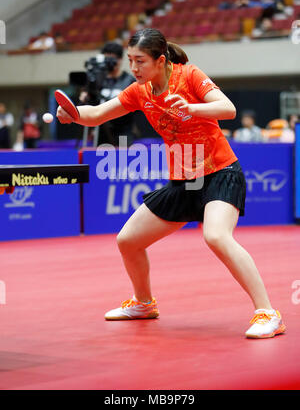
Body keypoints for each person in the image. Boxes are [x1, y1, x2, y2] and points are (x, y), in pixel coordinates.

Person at [57, 28, 285, 339]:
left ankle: (268, 313)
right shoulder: (140, 91)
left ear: (160, 60)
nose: (133, 69)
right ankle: (143, 303)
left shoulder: (189, 75)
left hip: (220, 172)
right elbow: (96, 114)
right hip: (182, 183)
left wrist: (192, 108)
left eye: (140, 61)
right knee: (128, 241)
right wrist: (73, 113)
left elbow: (227, 108)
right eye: (130, 61)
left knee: (216, 236)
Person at [79, 41, 136, 146]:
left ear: (120, 60)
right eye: (106, 59)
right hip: (100, 135)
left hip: (123, 134)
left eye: (112, 59)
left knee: (122, 162)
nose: (108, 63)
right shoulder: (97, 81)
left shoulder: (129, 80)